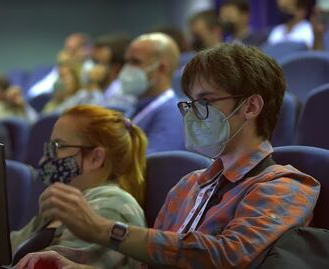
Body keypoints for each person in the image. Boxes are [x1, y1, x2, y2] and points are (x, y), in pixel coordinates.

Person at [16, 44, 320, 269]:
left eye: (205, 101)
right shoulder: (188, 186)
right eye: (190, 102)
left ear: (251, 107)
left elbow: (228, 254)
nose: (192, 114)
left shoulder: (286, 185)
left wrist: (101, 229)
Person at [0, 105, 148, 269]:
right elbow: (8, 249)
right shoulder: (64, 208)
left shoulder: (113, 204)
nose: (43, 159)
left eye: (56, 147)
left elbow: (47, 265)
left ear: (96, 157)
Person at [117, 32, 184, 154]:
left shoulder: (172, 114)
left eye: (135, 62)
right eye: (126, 62)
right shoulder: (136, 107)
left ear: (162, 68)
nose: (127, 69)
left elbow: (153, 165)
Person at [27, 33, 92, 98]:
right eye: (67, 49)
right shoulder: (59, 68)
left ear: (86, 50)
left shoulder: (90, 70)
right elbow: (33, 92)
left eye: (73, 50)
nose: (68, 53)